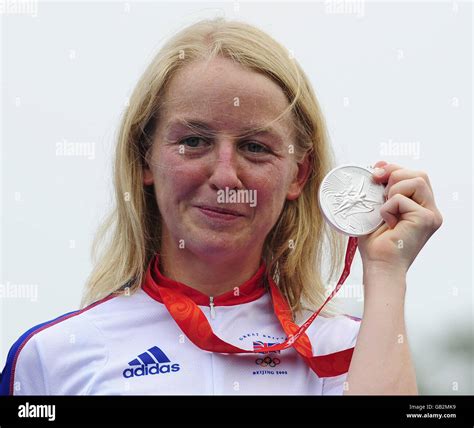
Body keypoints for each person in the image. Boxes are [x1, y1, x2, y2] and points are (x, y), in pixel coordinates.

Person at [0, 18, 443, 395]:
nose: (226, 177)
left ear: (299, 174)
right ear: (144, 159)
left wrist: (386, 273)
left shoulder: (352, 349)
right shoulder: (52, 356)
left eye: (255, 147)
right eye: (193, 141)